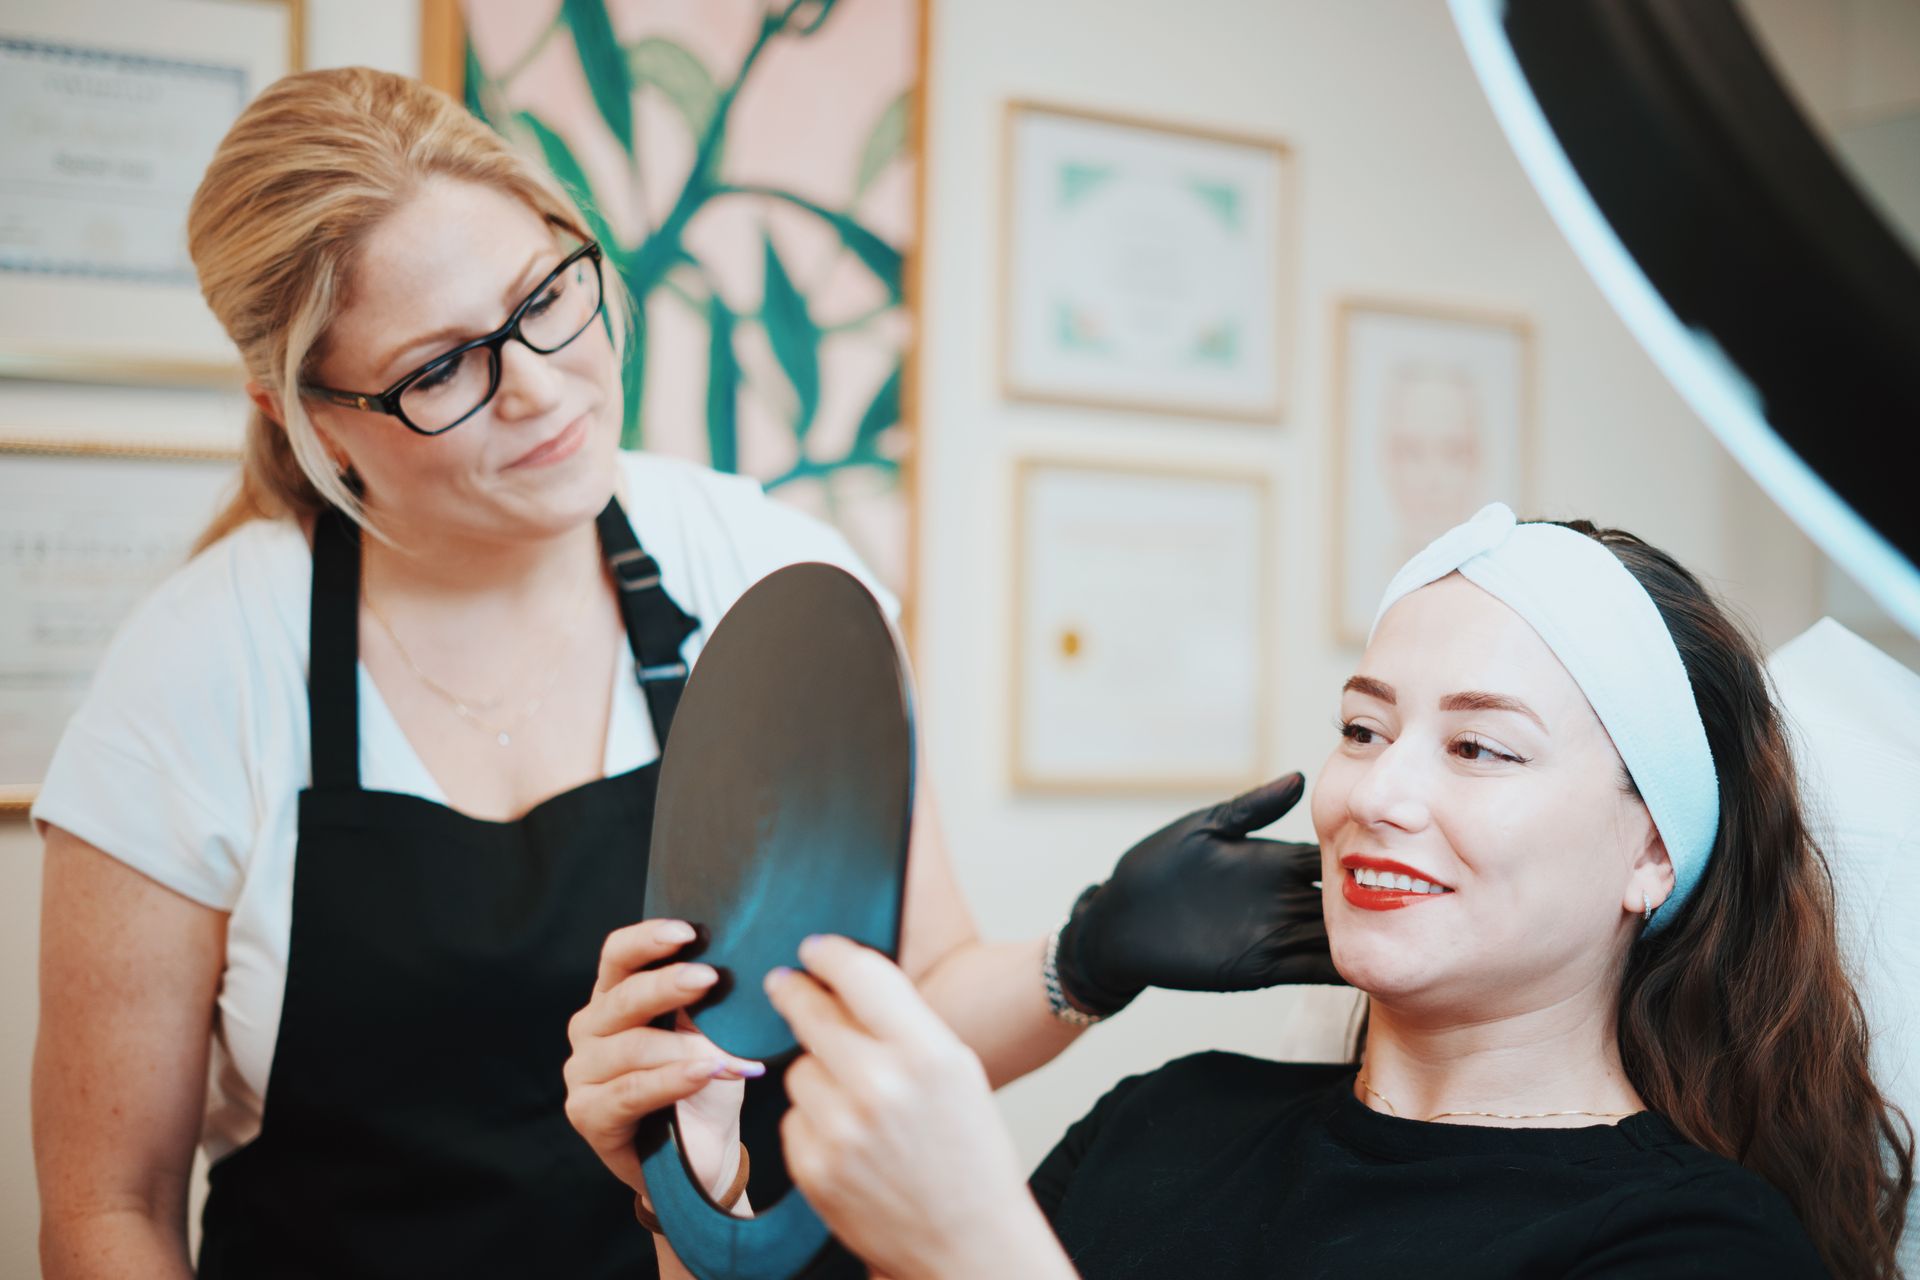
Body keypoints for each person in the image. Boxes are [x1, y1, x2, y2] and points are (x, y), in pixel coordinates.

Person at [29, 68, 1334, 1280]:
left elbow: (909, 1011)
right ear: (305, 412)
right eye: (440, 368)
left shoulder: (762, 575)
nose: (539, 388)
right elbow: (107, 1205)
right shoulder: (204, 669)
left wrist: (1092, 950)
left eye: (544, 299)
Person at [639, 505, 1914, 1279]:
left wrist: (979, 1249)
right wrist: (692, 1187)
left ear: (1653, 853)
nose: (1377, 792)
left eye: (1480, 746)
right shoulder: (1167, 1119)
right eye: (1364, 728)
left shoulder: (1696, 1244)